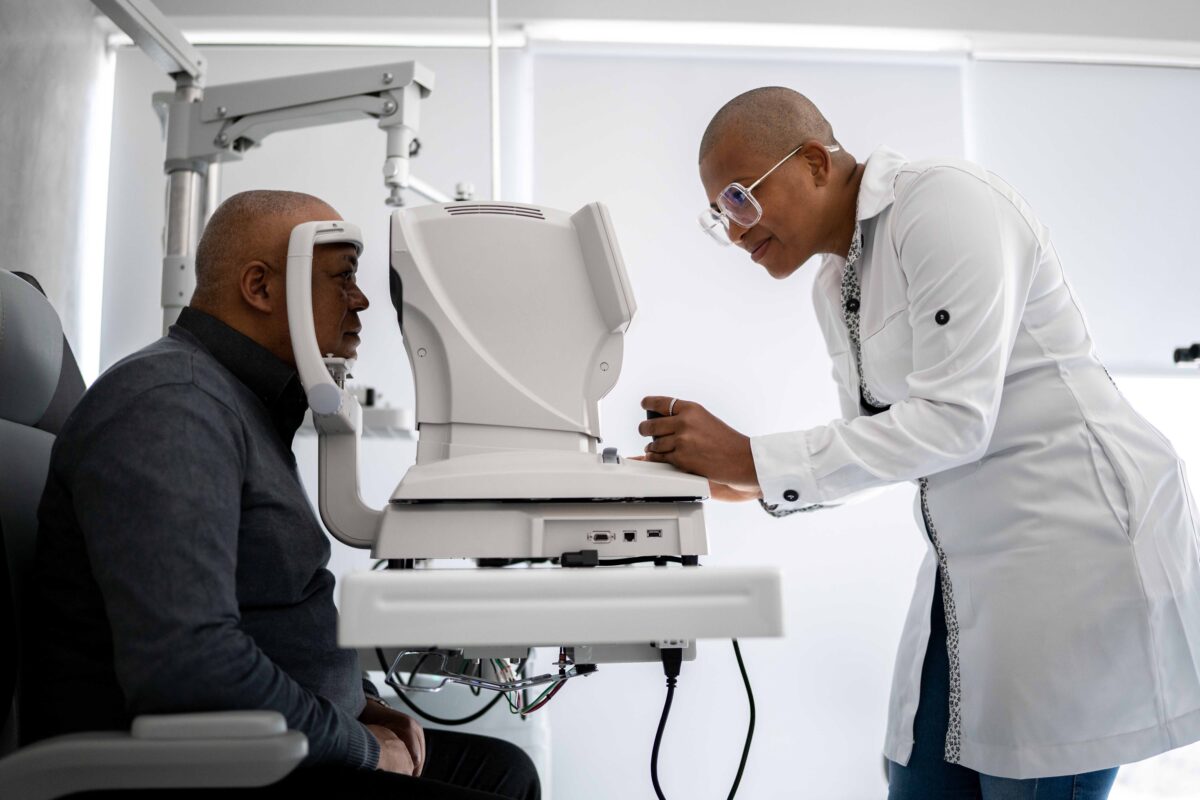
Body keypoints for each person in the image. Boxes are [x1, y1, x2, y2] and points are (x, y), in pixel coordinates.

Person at [638, 87, 1200, 799]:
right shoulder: (835, 282)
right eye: (720, 214)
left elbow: (956, 421)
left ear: (814, 161)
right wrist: (743, 480)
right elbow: (878, 439)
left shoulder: (943, 205)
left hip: (1071, 552)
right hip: (969, 566)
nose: (736, 228)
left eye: (742, 198)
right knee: (917, 780)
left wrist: (757, 459)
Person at [21, 190, 540, 800]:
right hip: (205, 770)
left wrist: (361, 705)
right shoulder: (172, 407)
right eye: (342, 275)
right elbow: (190, 670)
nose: (363, 298)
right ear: (262, 288)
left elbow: (269, 613)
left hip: (271, 745)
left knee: (505, 771)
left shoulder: (241, 406)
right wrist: (361, 746)